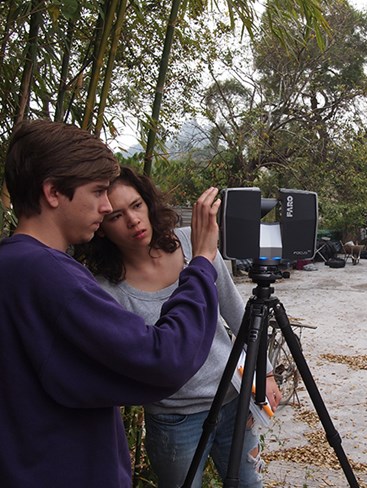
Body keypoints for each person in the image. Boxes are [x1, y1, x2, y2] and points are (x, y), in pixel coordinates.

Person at [0, 119, 222, 487]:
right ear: (53, 192)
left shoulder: (11, 266)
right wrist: (200, 263)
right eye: (99, 191)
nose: (106, 208)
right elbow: (163, 359)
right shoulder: (50, 277)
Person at [75, 166, 282, 488]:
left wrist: (264, 371)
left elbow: (235, 311)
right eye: (116, 216)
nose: (133, 221)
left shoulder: (192, 243)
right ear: (101, 226)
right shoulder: (106, 289)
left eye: (136, 205)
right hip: (174, 419)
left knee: (248, 484)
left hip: (232, 399)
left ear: (148, 204)